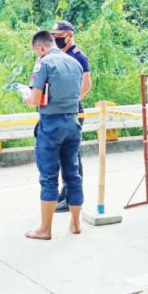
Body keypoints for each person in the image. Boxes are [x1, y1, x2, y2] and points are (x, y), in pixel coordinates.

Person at [20, 30, 83, 240]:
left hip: (51, 124)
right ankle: (75, 223)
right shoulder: (75, 63)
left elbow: (36, 99)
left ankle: (45, 229)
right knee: (73, 175)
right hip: (73, 122)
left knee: (48, 177)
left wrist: (25, 95)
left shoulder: (43, 64)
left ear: (40, 48)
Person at [50, 20, 91, 213]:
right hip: (58, 110)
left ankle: (73, 196)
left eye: (60, 36)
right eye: (54, 37)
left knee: (72, 154)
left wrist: (71, 102)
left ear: (70, 35)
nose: (56, 40)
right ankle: (64, 191)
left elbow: (86, 85)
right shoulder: (56, 57)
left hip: (73, 109)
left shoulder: (78, 57)